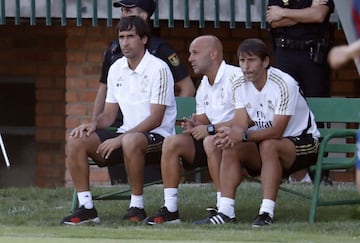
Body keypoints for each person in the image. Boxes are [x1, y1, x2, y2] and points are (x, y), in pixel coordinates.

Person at [61, 15, 176, 225]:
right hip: (127, 136)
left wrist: (120, 139)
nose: (124, 42)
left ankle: (137, 207)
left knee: (130, 140)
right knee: (77, 139)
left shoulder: (158, 68)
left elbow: (156, 118)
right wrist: (94, 124)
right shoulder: (116, 68)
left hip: (159, 137)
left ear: (144, 39)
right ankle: (87, 208)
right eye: (121, 37)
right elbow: (109, 114)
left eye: (130, 36)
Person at [193, 38, 320, 226]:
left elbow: (277, 130)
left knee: (269, 145)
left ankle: (266, 213)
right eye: (242, 61)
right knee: (231, 145)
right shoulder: (238, 84)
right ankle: (226, 212)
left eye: (251, 60)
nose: (246, 66)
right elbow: (240, 123)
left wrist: (242, 135)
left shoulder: (284, 83)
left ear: (265, 62)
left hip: (303, 143)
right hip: (265, 145)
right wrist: (228, 135)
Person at [144, 35, 243, 225]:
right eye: (190, 54)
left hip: (237, 142)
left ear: (213, 54)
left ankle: (224, 209)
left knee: (210, 140)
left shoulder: (235, 77)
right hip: (212, 141)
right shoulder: (204, 83)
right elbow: (205, 118)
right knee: (172, 142)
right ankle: (171, 209)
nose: (190, 59)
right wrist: (195, 125)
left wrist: (210, 128)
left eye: (195, 53)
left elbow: (244, 119)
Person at [96, 0, 195, 185]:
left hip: (150, 130)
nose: (123, 15)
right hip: (118, 124)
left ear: (144, 16)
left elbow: (187, 87)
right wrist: (95, 122)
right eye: (122, 11)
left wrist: (173, 119)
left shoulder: (159, 50)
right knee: (119, 181)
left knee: (150, 184)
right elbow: (103, 88)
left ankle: (139, 204)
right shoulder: (113, 49)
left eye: (128, 10)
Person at [267, 0, 334, 183]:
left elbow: (319, 15)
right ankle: (287, 171)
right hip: (284, 54)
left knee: (317, 113)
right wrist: (306, 13)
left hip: (312, 56)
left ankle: (318, 175)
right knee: (283, 111)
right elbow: (274, 20)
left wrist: (285, 13)